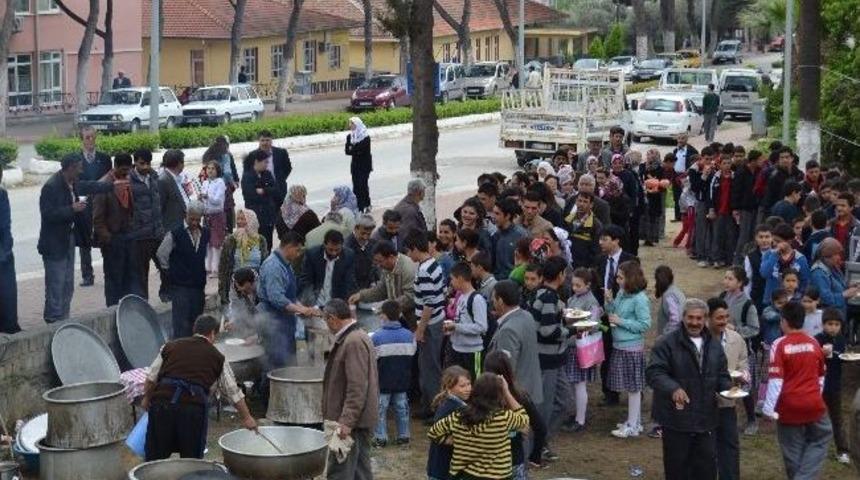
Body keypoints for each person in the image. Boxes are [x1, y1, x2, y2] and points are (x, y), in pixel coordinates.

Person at [141, 315, 257, 460]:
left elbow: (151, 378)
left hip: (161, 405)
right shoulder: (217, 357)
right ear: (212, 333)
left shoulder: (170, 346)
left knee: (155, 457)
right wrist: (247, 417)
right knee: (192, 460)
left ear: (194, 330)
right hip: (192, 409)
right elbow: (232, 391)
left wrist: (146, 399)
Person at [646, 298, 731, 480]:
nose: (694, 322)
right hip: (676, 418)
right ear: (683, 317)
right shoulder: (666, 343)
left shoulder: (714, 345)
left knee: (706, 470)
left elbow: (722, 375)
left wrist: (731, 388)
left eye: (699, 318)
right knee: (677, 469)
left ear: (705, 319)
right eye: (690, 317)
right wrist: (673, 388)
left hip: (706, 418)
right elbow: (654, 372)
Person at [762, 301, 833, 480]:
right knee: (821, 437)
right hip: (813, 403)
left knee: (792, 451)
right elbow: (821, 376)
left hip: (789, 405)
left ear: (784, 321)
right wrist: (816, 395)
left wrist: (768, 409)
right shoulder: (814, 342)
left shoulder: (779, 344)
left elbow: (776, 380)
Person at [38, 154, 109, 323]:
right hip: (54, 243)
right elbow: (48, 214)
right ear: (70, 168)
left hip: (68, 239)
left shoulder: (74, 183)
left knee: (68, 283)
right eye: (79, 168)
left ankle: (64, 319)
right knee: (56, 284)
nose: (81, 171)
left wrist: (112, 185)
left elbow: (90, 186)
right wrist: (72, 209)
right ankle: (52, 320)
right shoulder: (51, 186)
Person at [427, 373, 529, 480]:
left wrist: (453, 440)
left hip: (463, 476)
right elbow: (524, 420)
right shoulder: (503, 417)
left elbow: (433, 432)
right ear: (498, 394)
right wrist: (507, 392)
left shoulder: (460, 415)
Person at [321, 299, 379, 480]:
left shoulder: (353, 341)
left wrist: (346, 421)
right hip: (357, 421)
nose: (326, 325)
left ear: (332, 319)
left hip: (351, 423)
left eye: (325, 320)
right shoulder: (356, 336)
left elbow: (357, 386)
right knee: (360, 472)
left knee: (340, 472)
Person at [257, 232, 321, 370]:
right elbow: (276, 298)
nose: (298, 254)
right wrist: (301, 309)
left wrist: (303, 308)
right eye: (297, 250)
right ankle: (268, 384)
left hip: (286, 321)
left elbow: (290, 296)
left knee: (288, 361)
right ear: (289, 247)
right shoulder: (273, 266)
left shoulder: (286, 264)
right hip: (273, 320)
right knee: (276, 363)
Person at [605, 260, 652, 438]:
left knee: (633, 388)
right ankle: (635, 422)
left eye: (620, 277)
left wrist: (621, 321)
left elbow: (645, 324)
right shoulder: (622, 293)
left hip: (631, 348)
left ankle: (632, 426)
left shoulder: (640, 299)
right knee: (632, 387)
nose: (617, 280)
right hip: (620, 345)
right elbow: (612, 312)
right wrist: (609, 301)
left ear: (630, 278)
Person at [592, 224, 637, 406]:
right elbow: (596, 286)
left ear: (616, 240)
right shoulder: (600, 260)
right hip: (605, 315)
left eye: (605, 239)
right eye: (600, 239)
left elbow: (635, 288)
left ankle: (634, 390)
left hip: (624, 315)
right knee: (607, 352)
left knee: (627, 353)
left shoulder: (631, 260)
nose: (600, 242)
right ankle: (610, 393)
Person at [483, 350, 547, 475]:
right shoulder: (520, 397)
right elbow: (541, 428)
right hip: (514, 459)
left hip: (486, 461)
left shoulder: (479, 396)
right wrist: (535, 456)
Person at [405, 231, 448, 417]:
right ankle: (430, 406)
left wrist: (420, 329)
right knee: (430, 366)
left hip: (429, 324)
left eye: (409, 251)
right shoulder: (434, 264)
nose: (408, 255)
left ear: (415, 249)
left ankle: (434, 409)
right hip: (437, 320)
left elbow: (428, 303)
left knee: (429, 369)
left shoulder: (423, 271)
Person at [707, 297, 749, 480]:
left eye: (726, 317)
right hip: (704, 404)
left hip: (727, 402)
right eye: (719, 318)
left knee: (730, 446)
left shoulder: (736, 339)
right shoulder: (699, 340)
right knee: (706, 448)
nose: (724, 321)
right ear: (708, 318)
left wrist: (742, 376)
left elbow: (743, 363)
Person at [92, 153, 139, 306]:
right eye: (123, 170)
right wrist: (108, 239)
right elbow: (97, 218)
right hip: (113, 239)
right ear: (115, 167)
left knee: (129, 278)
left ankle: (127, 309)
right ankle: (112, 309)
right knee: (113, 280)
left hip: (128, 237)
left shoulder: (127, 181)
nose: (126, 174)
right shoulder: (103, 185)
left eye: (128, 170)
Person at [157, 201, 209, 339]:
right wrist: (171, 273)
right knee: (181, 324)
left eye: (198, 219)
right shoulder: (175, 233)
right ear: (186, 215)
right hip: (180, 287)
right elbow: (162, 254)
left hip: (198, 286)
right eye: (192, 219)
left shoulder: (205, 233)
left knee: (196, 323)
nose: (194, 223)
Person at [719, 266, 761, 435]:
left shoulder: (747, 304)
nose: (726, 281)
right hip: (724, 349)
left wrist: (736, 329)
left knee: (744, 386)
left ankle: (751, 420)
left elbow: (755, 328)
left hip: (742, 353)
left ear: (740, 282)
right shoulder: (722, 298)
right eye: (725, 278)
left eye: (730, 279)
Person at [560, 268, 602, 433]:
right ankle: (576, 414)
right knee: (573, 383)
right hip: (573, 345)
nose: (575, 288)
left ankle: (580, 419)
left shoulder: (591, 302)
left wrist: (576, 321)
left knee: (579, 384)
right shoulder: (573, 298)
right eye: (573, 285)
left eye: (578, 285)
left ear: (588, 285)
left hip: (581, 347)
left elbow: (594, 324)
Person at [372, 300, 416, 447]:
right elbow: (412, 353)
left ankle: (380, 437)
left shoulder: (376, 337)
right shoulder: (409, 335)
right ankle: (403, 436)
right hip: (402, 380)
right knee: (402, 408)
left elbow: (373, 359)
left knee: (380, 409)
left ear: (383, 316)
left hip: (383, 381)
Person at [348, 241, 417, 328]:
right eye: (376, 262)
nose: (378, 265)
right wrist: (361, 295)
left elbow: (410, 297)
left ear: (391, 257)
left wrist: (387, 308)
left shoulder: (407, 269)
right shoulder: (386, 268)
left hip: (412, 318)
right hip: (397, 316)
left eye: (380, 261)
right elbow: (381, 290)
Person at [76, 127, 113, 287]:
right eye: (87, 137)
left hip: (102, 203)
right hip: (84, 202)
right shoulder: (76, 160)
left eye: (92, 137)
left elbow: (110, 179)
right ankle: (87, 276)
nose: (90, 140)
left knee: (104, 237)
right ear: (82, 140)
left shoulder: (104, 159)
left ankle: (109, 272)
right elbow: (76, 183)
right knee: (84, 240)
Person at [814, 308, 851, 464]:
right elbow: (811, 360)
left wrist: (846, 358)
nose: (833, 328)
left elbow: (842, 357)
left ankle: (842, 450)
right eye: (830, 324)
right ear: (823, 324)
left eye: (837, 324)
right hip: (818, 385)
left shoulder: (841, 340)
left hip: (834, 385)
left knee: (837, 418)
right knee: (816, 417)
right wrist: (821, 354)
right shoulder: (817, 339)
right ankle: (814, 448)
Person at [129, 149, 165, 301]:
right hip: (140, 235)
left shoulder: (154, 177)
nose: (145, 167)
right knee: (141, 274)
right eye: (142, 163)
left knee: (166, 266)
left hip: (157, 232)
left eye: (148, 163)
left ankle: (166, 294)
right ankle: (143, 303)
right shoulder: (129, 181)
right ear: (135, 163)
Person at [427, 366, 472, 480]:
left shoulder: (451, 403)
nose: (468, 389)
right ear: (449, 387)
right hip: (443, 468)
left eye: (468, 384)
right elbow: (435, 434)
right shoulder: (451, 407)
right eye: (462, 386)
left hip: (440, 467)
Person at [218, 208, 269, 305]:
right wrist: (223, 293)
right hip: (236, 285)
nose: (239, 222)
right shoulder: (231, 240)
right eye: (238, 219)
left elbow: (265, 265)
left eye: (243, 219)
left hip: (256, 285)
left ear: (251, 221)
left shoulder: (261, 240)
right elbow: (223, 268)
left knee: (257, 313)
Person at [299, 229, 357, 306]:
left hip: (336, 302)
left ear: (342, 246)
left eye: (337, 250)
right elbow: (306, 281)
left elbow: (348, 282)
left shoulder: (349, 256)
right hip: (315, 300)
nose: (334, 253)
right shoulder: (312, 254)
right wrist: (310, 303)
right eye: (330, 249)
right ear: (324, 244)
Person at [761, 223, 810, 306]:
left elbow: (805, 281)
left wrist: (798, 298)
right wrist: (775, 255)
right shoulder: (769, 255)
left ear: (789, 241)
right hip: (771, 301)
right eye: (774, 240)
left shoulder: (800, 258)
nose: (775, 244)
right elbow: (765, 273)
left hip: (793, 303)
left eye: (778, 241)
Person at [810, 238, 858, 319]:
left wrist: (849, 285)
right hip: (829, 317)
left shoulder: (832, 267)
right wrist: (844, 294)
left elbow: (837, 286)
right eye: (836, 254)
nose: (839, 258)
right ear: (827, 256)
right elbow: (825, 299)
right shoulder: (818, 273)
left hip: (840, 314)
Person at [244, 130, 292, 209]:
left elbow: (287, 168)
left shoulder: (281, 153)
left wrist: (280, 180)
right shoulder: (252, 156)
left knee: (280, 214)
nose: (265, 143)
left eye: (267, 140)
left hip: (279, 191)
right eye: (262, 140)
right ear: (259, 141)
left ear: (271, 140)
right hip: (261, 194)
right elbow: (247, 174)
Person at [242, 150, 279, 249]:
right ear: (256, 162)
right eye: (265, 162)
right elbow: (251, 195)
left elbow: (275, 190)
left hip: (268, 215)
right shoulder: (248, 176)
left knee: (268, 244)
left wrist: (264, 190)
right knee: (256, 245)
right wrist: (266, 193)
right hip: (255, 216)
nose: (267, 165)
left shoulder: (267, 174)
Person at [732, 150, 763, 264]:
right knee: (743, 236)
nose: (762, 161)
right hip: (744, 208)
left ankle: (748, 261)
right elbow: (736, 191)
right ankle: (737, 261)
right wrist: (735, 208)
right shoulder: (741, 172)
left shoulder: (759, 171)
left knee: (753, 235)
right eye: (760, 159)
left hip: (755, 207)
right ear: (753, 161)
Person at [707, 150, 736, 268]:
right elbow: (710, 194)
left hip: (731, 211)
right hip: (719, 210)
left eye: (729, 163)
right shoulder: (716, 177)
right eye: (724, 163)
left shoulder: (734, 177)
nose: (727, 165)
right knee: (717, 236)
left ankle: (729, 259)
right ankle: (716, 259)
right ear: (720, 165)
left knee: (730, 236)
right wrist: (711, 209)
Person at [0, 167, 19, 333]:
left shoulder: (2, 194)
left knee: (7, 293)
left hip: (3, 252)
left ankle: (9, 325)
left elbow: (6, 225)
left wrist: (6, 250)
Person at [200, 161, 226, 276]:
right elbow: (203, 200)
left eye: (213, 168)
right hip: (206, 215)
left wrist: (207, 196)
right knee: (207, 242)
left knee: (216, 242)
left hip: (217, 215)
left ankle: (216, 268)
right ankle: (208, 266)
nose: (210, 171)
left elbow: (218, 201)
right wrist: (200, 198)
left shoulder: (220, 182)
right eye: (208, 168)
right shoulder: (205, 182)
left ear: (217, 171)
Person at [490, 197, 527, 279]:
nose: (493, 216)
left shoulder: (521, 235)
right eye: (493, 213)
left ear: (507, 216)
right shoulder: (495, 235)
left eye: (497, 214)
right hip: (497, 279)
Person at [566, 191, 603, 269]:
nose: (581, 204)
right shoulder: (567, 219)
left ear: (591, 205)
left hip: (583, 268)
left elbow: (597, 251)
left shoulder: (596, 225)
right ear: (576, 202)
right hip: (567, 265)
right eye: (579, 201)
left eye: (585, 202)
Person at [158, 149, 190, 234]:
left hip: (181, 225)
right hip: (172, 228)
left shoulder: (177, 178)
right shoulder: (163, 180)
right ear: (179, 164)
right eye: (183, 162)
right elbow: (160, 207)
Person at [346, 116, 373, 212]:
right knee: (356, 186)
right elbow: (347, 151)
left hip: (364, 165)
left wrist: (353, 149)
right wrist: (355, 150)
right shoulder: (350, 137)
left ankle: (366, 204)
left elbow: (361, 151)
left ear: (357, 124)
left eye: (352, 123)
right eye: (350, 123)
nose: (350, 125)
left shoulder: (365, 137)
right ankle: (358, 206)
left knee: (363, 185)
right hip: (355, 165)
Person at [347, 214, 379, 290]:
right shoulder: (347, 246)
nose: (365, 237)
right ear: (355, 229)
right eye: (363, 233)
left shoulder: (373, 244)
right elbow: (349, 275)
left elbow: (375, 267)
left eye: (369, 234)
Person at [671, 132, 699, 222]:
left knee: (686, 195)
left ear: (686, 139)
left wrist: (689, 172)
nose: (680, 140)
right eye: (679, 138)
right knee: (676, 196)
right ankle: (677, 216)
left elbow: (695, 162)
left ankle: (686, 216)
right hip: (676, 175)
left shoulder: (692, 150)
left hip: (685, 176)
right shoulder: (675, 150)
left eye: (682, 138)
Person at [654, 265, 686, 336]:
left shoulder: (669, 295)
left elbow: (676, 320)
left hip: (673, 338)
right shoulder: (677, 292)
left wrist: (665, 336)